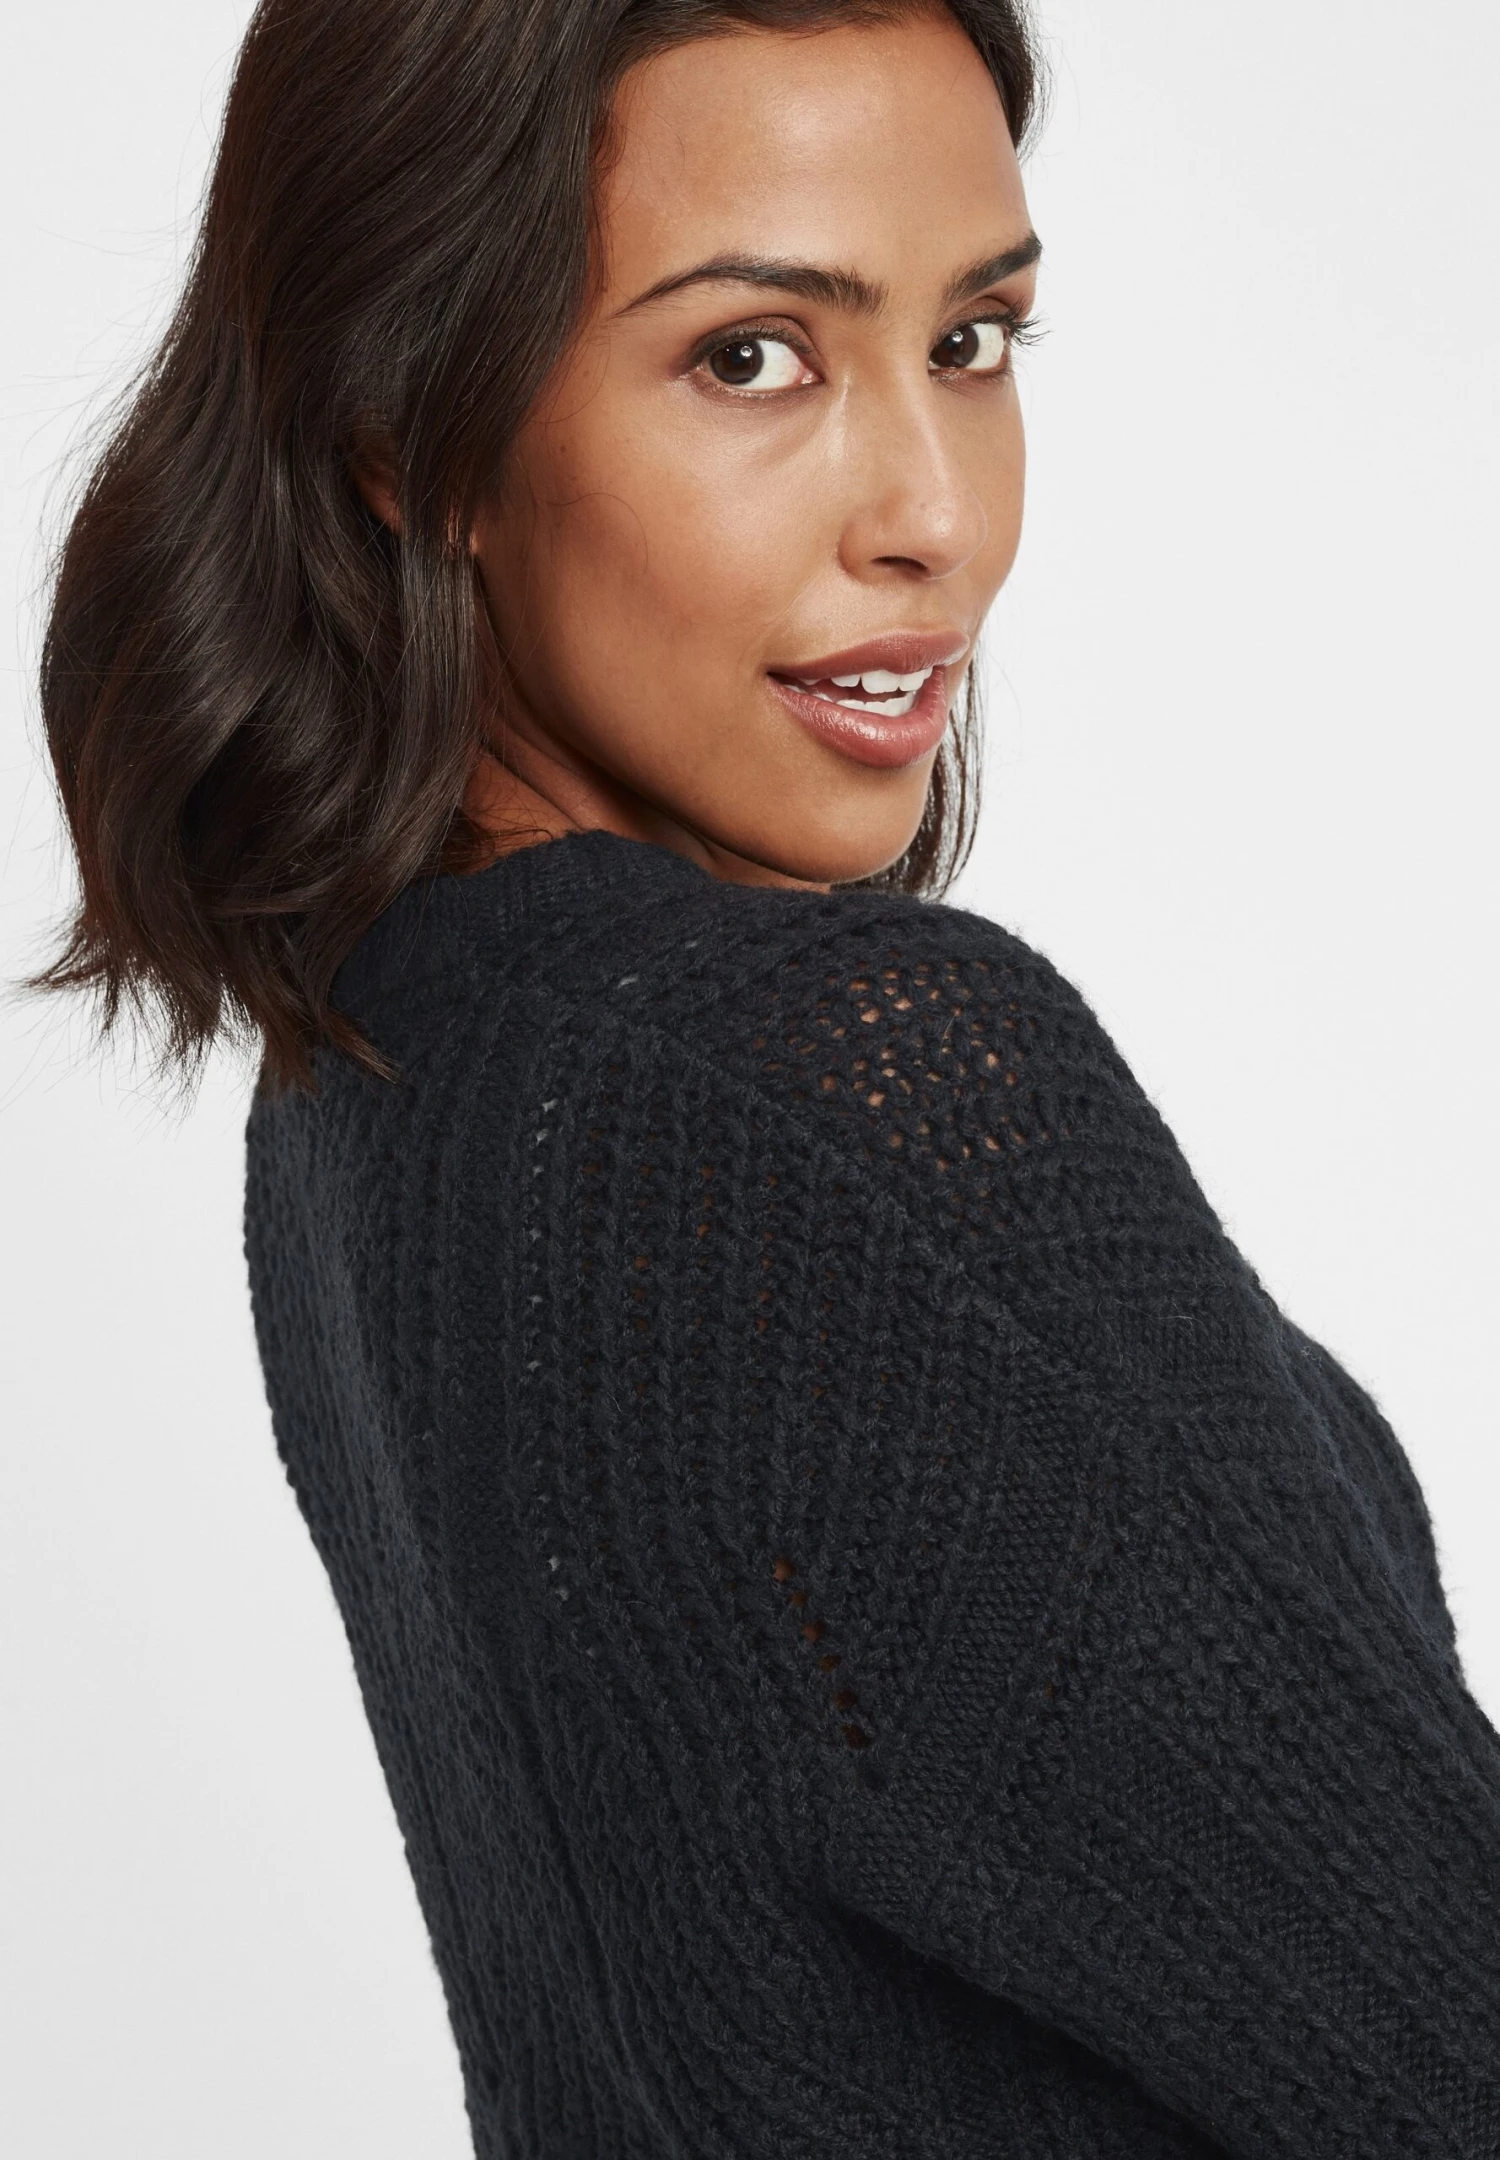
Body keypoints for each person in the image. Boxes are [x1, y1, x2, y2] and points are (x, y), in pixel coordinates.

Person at [26, 1, 1500, 2154]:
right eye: (752, 357)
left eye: (973, 342)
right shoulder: (813, 1106)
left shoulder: (374, 1081)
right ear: (408, 429)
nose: (936, 516)